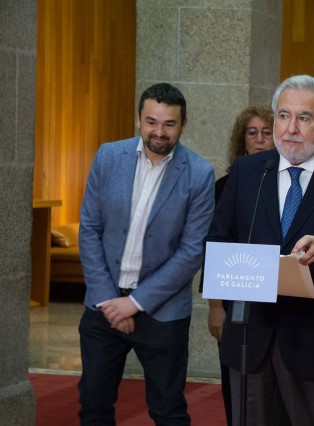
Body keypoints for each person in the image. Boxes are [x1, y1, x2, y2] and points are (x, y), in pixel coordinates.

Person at [206, 75, 314, 426]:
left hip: (313, 340)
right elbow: (217, 239)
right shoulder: (246, 172)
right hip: (250, 337)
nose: (290, 128)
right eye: (283, 116)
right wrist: (217, 303)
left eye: (303, 118)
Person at [77, 83, 215, 425]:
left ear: (184, 124)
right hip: (103, 305)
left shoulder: (199, 174)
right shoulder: (108, 157)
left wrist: (135, 303)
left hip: (163, 313)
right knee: (93, 403)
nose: (159, 131)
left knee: (168, 411)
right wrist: (110, 299)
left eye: (169, 124)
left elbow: (190, 252)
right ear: (139, 118)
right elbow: (89, 230)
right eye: (152, 121)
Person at [205, 104, 276, 426]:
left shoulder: (288, 185)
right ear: (242, 140)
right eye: (252, 133)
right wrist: (216, 306)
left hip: (279, 299)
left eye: (266, 132)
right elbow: (216, 248)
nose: (260, 140)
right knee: (237, 392)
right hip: (237, 303)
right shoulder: (224, 186)